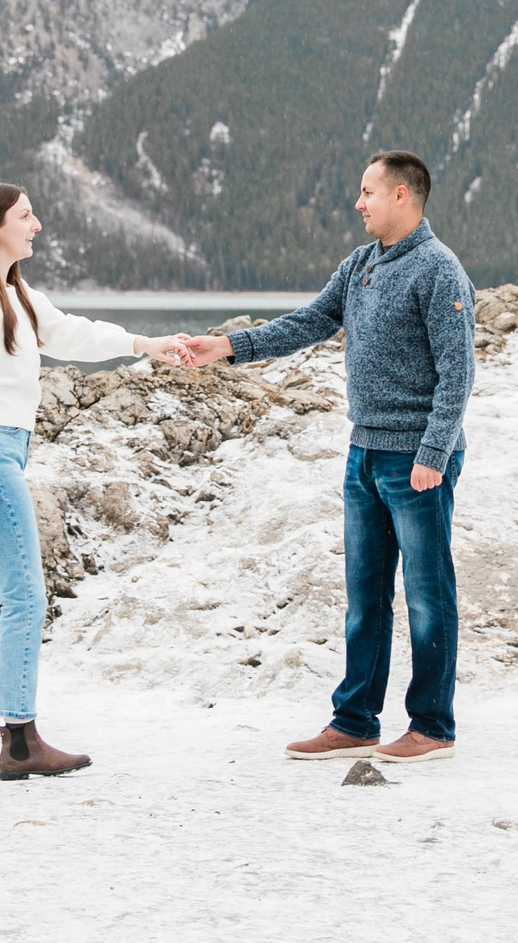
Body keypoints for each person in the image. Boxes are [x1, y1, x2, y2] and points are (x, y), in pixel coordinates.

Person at [177, 150, 474, 764]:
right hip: (364, 454)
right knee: (365, 595)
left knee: (427, 594)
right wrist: (230, 346)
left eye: (368, 191)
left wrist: (433, 452)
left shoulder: (440, 271)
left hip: (416, 461)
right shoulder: (361, 265)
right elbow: (310, 322)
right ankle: (356, 720)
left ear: (402, 196)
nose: (358, 203)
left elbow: (457, 374)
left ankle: (433, 727)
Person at [0, 180, 187, 780]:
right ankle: (19, 739)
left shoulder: (12, 291)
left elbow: (73, 333)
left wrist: (146, 344)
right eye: (26, 215)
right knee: (25, 595)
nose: (37, 224)